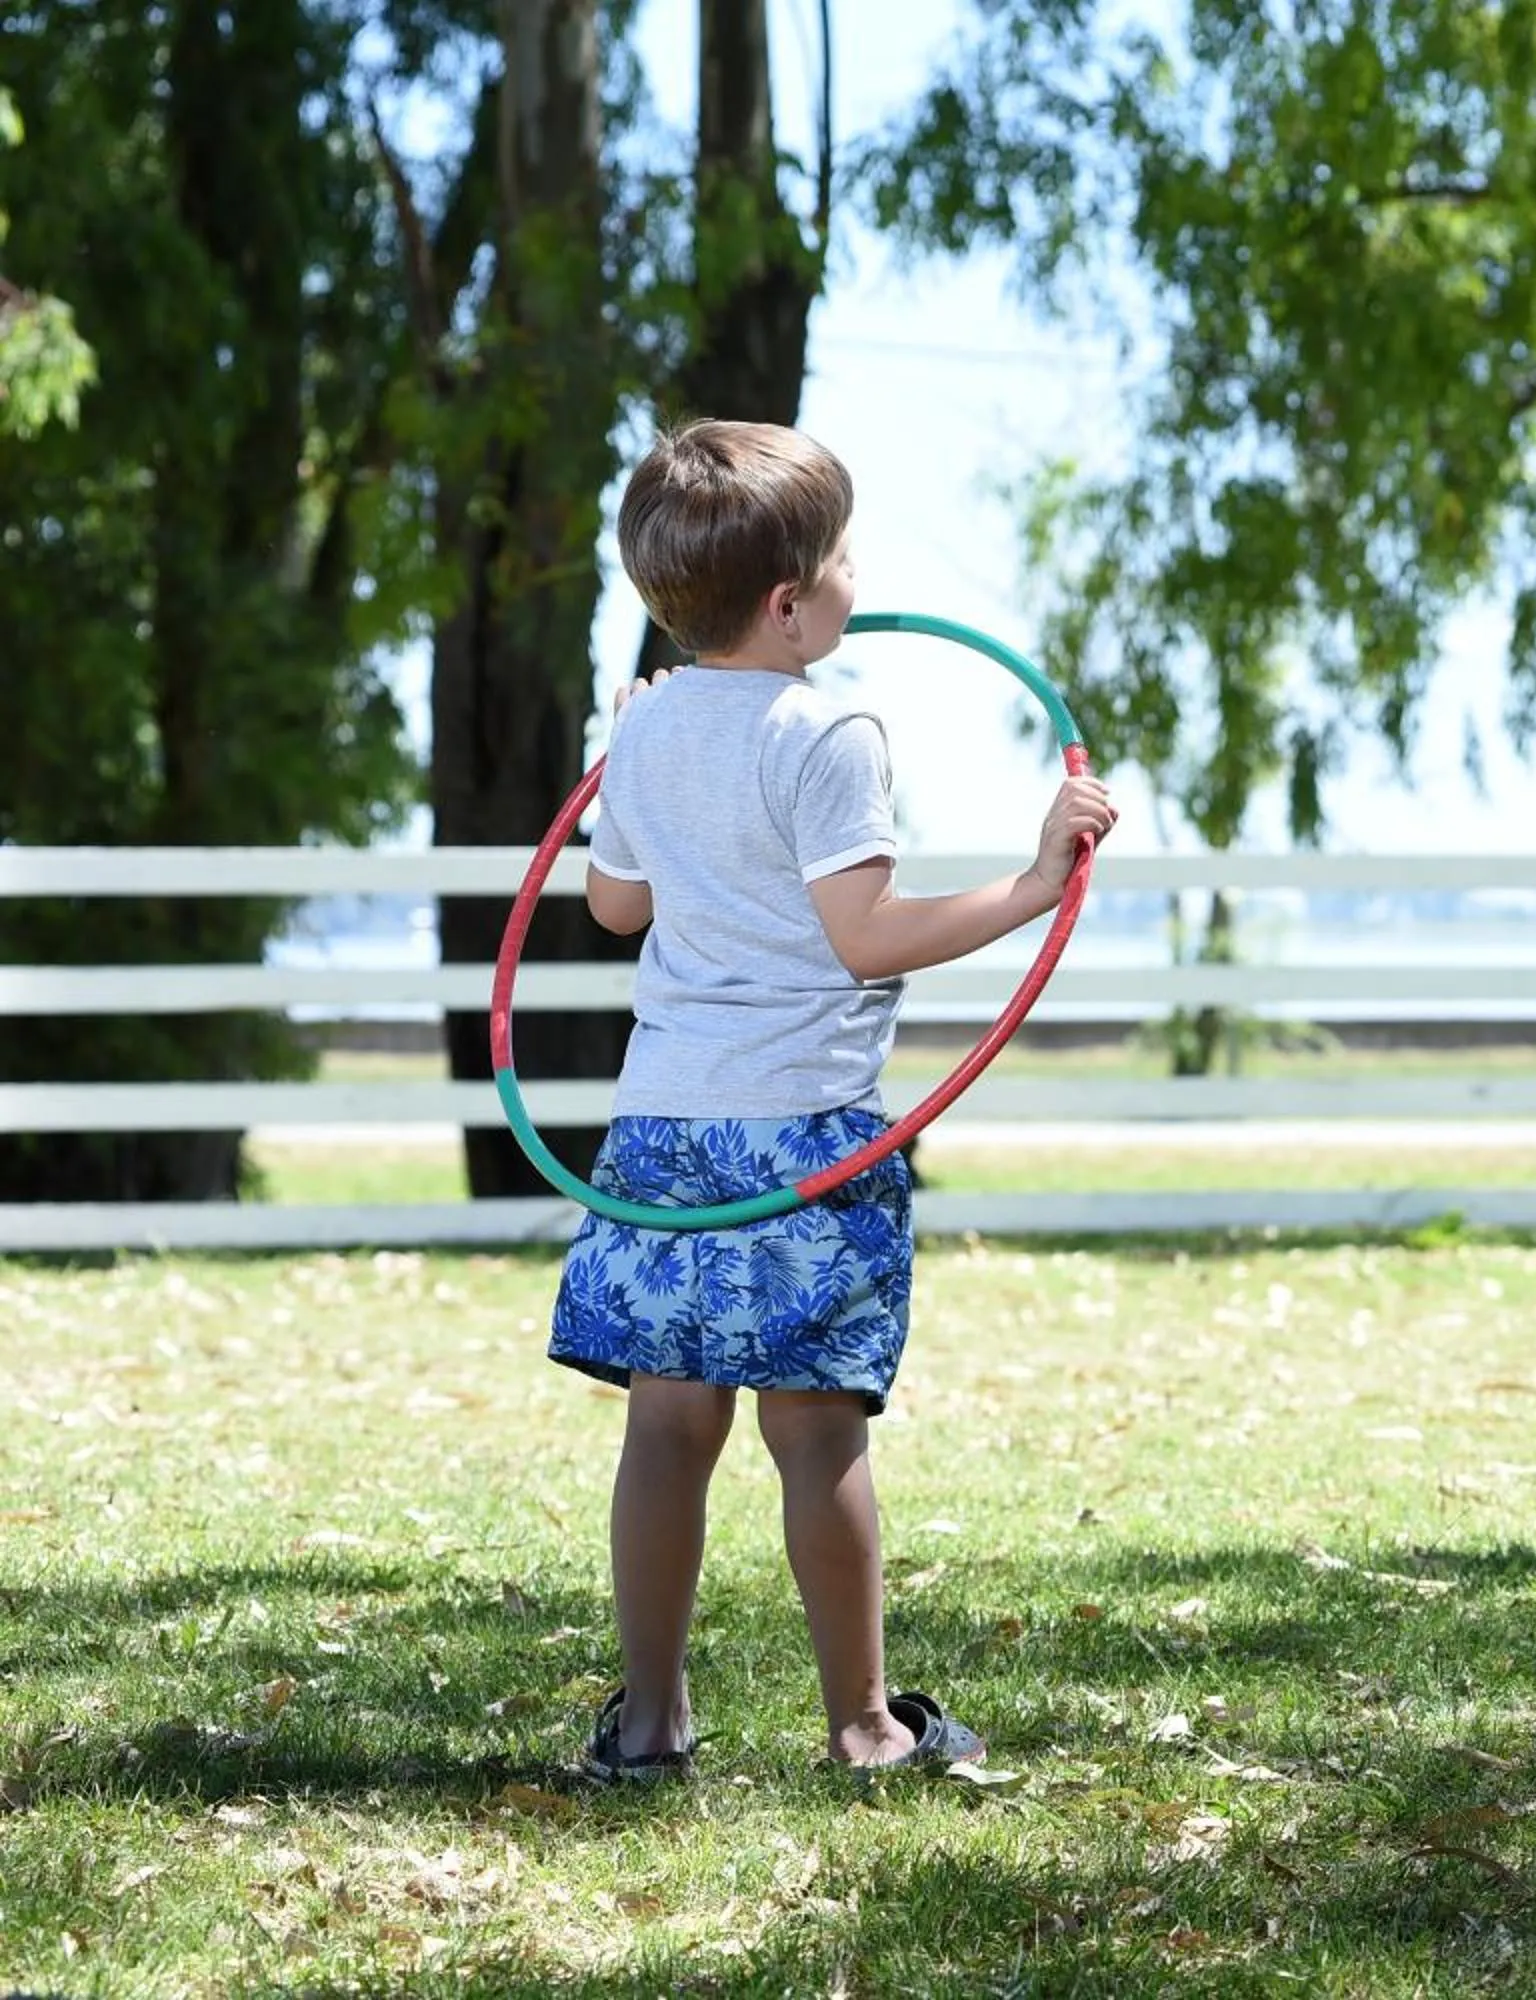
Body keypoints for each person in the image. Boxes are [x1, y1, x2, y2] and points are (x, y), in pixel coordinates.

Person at [548, 417, 1120, 1779]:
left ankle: (649, 1724)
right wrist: (1037, 883)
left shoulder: (648, 725)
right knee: (816, 1435)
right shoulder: (831, 724)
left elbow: (614, 906)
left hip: (666, 1132)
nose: (862, 569)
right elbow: (865, 938)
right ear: (792, 602)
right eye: (843, 552)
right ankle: (864, 1728)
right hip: (802, 1126)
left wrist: (629, 764)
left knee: (667, 1425)